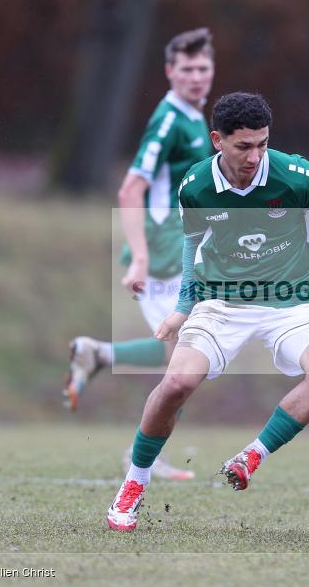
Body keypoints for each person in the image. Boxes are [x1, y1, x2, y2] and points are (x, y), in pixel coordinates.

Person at [106, 91, 309, 532]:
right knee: (176, 384)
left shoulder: (296, 175)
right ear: (217, 140)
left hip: (291, 300)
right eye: (244, 146)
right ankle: (134, 483)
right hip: (221, 301)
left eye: (262, 144)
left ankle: (252, 456)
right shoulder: (196, 186)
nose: (255, 156)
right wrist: (184, 307)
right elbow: (192, 245)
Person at [63, 28, 215, 481]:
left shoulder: (191, 116)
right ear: (169, 71)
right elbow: (131, 187)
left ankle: (98, 355)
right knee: (189, 359)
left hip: (182, 250)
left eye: (203, 68)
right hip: (164, 256)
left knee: (184, 358)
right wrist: (142, 259)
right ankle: (139, 456)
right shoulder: (169, 119)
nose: (196, 76)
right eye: (186, 69)